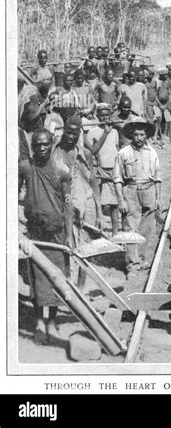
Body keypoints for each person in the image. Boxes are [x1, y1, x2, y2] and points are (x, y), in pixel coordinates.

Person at [19, 128, 73, 344]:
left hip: (57, 233)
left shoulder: (61, 170)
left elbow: (68, 206)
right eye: (37, 145)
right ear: (32, 147)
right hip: (35, 233)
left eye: (45, 144)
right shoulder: (25, 168)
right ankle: (40, 322)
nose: (41, 148)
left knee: (57, 279)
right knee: (37, 279)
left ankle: (52, 322)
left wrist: (69, 235)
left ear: (52, 145)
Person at [113, 116, 160, 276]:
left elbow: (157, 177)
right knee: (131, 228)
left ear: (146, 135)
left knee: (146, 228)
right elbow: (117, 178)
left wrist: (158, 198)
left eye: (142, 135)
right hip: (131, 191)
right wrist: (121, 200)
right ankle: (132, 265)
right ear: (131, 135)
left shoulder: (152, 153)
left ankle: (140, 258)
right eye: (136, 135)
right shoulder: (123, 153)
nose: (139, 138)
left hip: (149, 190)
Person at [52, 116, 103, 246]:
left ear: (79, 134)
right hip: (63, 201)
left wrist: (99, 212)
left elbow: (93, 181)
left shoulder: (85, 154)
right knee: (68, 242)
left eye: (74, 134)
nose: (70, 136)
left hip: (85, 199)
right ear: (64, 131)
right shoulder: (54, 151)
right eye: (68, 132)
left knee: (87, 244)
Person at [88, 103, 120, 236]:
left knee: (114, 203)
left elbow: (116, 149)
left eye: (108, 115)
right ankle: (97, 231)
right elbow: (92, 151)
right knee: (98, 202)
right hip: (99, 170)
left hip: (113, 169)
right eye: (102, 115)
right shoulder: (93, 131)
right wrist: (105, 133)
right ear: (97, 116)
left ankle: (115, 232)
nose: (105, 118)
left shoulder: (115, 131)